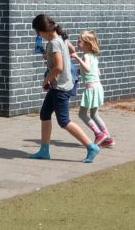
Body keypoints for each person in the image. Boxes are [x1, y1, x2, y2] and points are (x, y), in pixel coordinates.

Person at [28, 13, 100, 163]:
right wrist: (49, 57)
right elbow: (70, 51)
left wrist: (46, 80)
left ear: (44, 30)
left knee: (64, 121)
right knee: (45, 114)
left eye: (38, 32)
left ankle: (91, 146)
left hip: (60, 88)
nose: (38, 35)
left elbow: (59, 67)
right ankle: (44, 150)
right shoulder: (61, 38)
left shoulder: (54, 43)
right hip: (59, 85)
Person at [73, 30, 113, 147]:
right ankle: (108, 138)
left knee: (82, 114)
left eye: (79, 41)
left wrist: (77, 58)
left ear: (87, 44)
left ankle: (99, 134)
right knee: (94, 115)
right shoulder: (94, 56)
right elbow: (96, 71)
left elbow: (88, 69)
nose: (77, 43)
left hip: (91, 89)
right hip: (98, 87)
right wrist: (79, 71)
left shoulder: (85, 56)